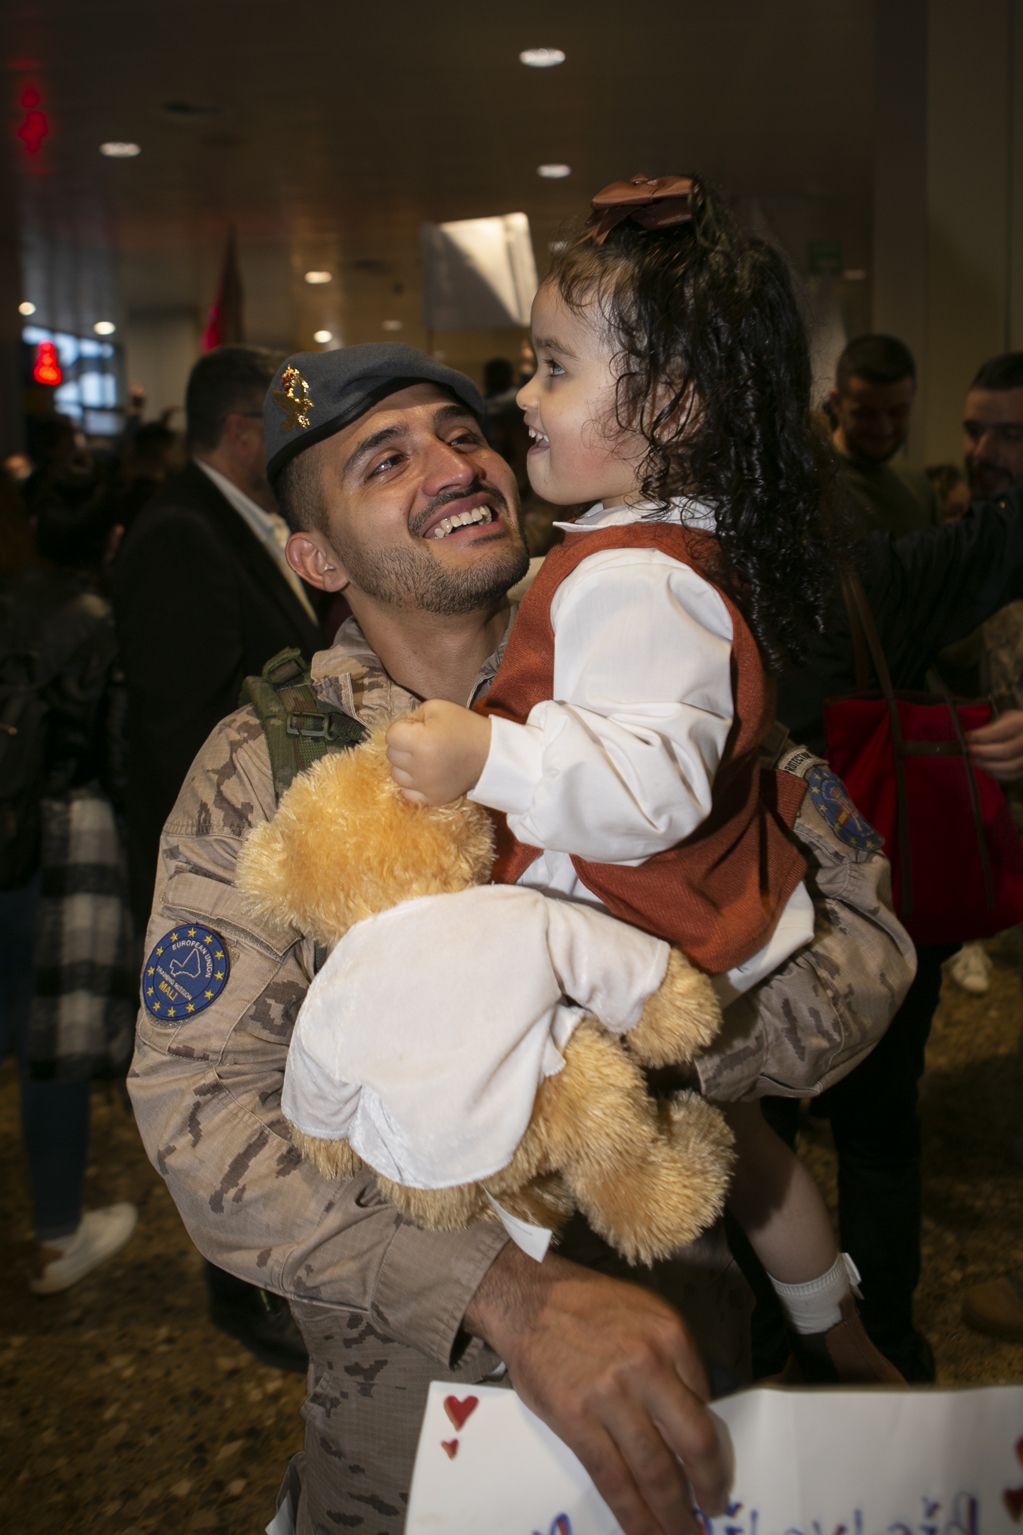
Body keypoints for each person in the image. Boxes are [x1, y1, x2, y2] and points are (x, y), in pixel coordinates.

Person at [130, 341, 763, 1535]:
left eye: (462, 432)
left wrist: (661, 1014)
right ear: (312, 556)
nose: (452, 463)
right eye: (387, 457)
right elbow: (199, 1108)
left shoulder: (650, 652)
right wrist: (509, 1296)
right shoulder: (264, 771)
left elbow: (862, 941)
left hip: (702, 1383)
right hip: (416, 1446)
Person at [383, 175, 898, 1383]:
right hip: (692, 900)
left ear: (669, 402)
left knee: (522, 1114)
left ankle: (481, 1353)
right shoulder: (670, 543)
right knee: (742, 1141)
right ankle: (838, 1327)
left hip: (629, 909)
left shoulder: (632, 572)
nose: (525, 396)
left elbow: (652, 787)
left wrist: (489, 754)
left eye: (553, 367)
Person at [113, 344, 323, 1373]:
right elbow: (184, 731)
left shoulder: (241, 523)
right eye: (283, 424)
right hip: (228, 869)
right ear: (244, 432)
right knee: (228, 1078)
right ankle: (242, 1290)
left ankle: (274, 1266)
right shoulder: (180, 537)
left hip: (277, 860)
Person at [0, 469, 137, 1294]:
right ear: (108, 541)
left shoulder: (7, 599)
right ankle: (58, 1230)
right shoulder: (94, 624)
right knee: (52, 1035)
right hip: (65, 832)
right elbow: (113, 744)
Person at [829, 334, 940, 537]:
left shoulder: (918, 487)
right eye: (865, 413)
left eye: (897, 412)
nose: (883, 428)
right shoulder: (816, 480)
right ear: (837, 403)